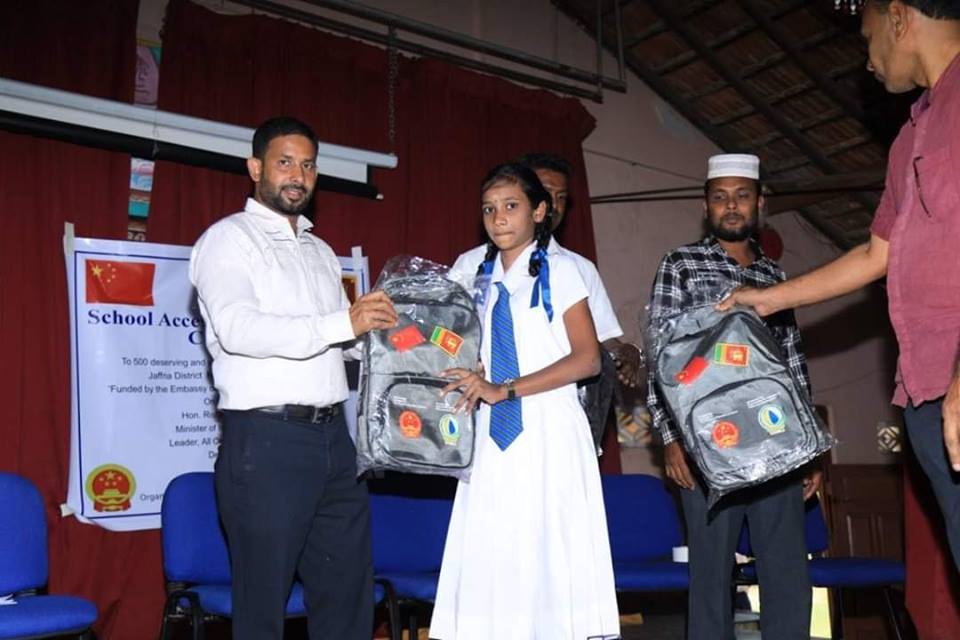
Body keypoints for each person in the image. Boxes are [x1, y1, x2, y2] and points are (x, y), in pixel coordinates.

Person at [719, 0, 960, 569]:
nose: (868, 59)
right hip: (925, 387)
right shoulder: (910, 135)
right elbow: (878, 253)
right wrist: (768, 299)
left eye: (868, 36)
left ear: (899, 18)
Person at [189, 116, 397, 640]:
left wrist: (402, 350)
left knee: (348, 594)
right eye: (284, 162)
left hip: (335, 441)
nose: (297, 175)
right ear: (255, 167)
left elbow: (339, 343)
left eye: (307, 165)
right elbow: (238, 329)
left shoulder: (320, 252)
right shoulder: (227, 240)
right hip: (266, 441)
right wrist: (344, 324)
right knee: (264, 606)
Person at [429, 163, 620, 639]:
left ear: (539, 211)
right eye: (489, 209)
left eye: (511, 206)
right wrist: (466, 363)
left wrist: (505, 388)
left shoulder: (566, 270)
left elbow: (588, 360)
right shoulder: (473, 271)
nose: (498, 218)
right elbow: (449, 338)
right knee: (493, 547)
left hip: (550, 424)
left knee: (549, 549)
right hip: (490, 430)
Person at [647, 154, 820, 640]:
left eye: (742, 196)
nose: (731, 206)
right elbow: (660, 354)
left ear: (760, 203)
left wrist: (810, 448)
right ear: (705, 207)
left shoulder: (775, 275)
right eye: (720, 197)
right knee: (710, 575)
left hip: (774, 438)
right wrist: (670, 437)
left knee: (787, 571)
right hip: (705, 442)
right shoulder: (681, 264)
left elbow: (791, 361)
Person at [516, 152, 644, 388]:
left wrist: (628, 351)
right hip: (491, 397)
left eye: (561, 197)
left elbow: (603, 338)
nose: (554, 205)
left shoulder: (580, 268)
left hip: (559, 398)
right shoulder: (475, 264)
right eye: (546, 193)